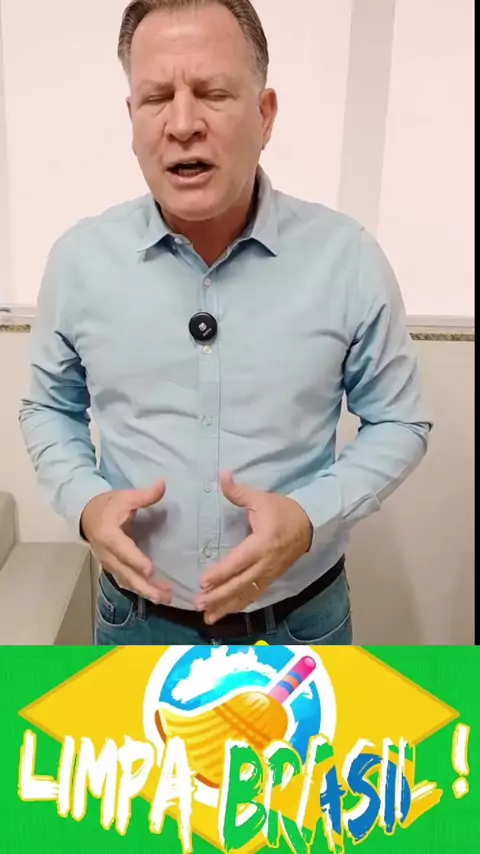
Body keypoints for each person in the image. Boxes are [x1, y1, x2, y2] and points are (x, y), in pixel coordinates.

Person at [19, 0, 432, 647]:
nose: (183, 124)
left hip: (301, 621)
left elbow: (400, 420)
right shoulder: (79, 261)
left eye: (213, 93)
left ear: (265, 115)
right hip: (136, 621)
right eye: (157, 97)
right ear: (132, 119)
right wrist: (85, 501)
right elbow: (48, 407)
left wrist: (309, 516)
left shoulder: (346, 257)